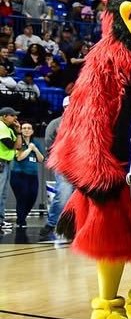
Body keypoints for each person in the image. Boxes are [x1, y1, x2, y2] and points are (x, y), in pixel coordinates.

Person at [40, 99, 71, 241]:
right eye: (68, 106)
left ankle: (73, 227)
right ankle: (51, 223)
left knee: (78, 197)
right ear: (64, 107)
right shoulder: (55, 124)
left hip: (81, 165)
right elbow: (49, 146)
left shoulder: (83, 122)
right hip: (63, 163)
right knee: (63, 194)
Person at [10, 121, 42, 229]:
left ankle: (22, 217)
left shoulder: (35, 143)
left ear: (32, 131)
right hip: (19, 175)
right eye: (24, 128)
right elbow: (19, 157)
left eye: (29, 128)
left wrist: (35, 149)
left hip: (33, 176)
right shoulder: (18, 141)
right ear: (21, 130)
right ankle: (21, 221)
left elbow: (41, 159)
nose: (27, 130)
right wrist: (29, 149)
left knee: (32, 197)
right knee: (22, 197)